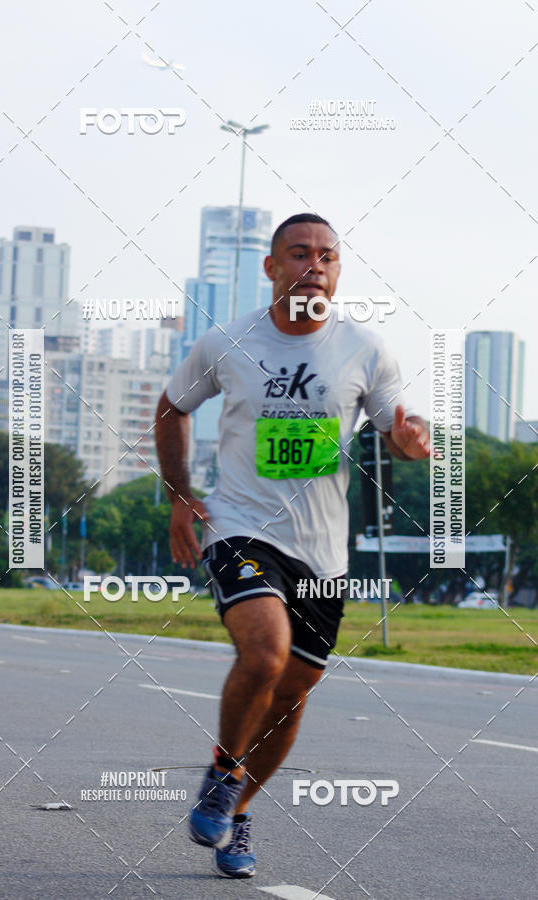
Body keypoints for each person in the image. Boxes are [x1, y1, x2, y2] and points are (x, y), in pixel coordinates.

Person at [155, 213, 430, 878]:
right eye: (300, 254)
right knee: (266, 653)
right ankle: (225, 770)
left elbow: (396, 423)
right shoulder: (227, 341)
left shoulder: (365, 348)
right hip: (240, 526)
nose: (315, 266)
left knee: (293, 692)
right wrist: (180, 497)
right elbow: (171, 409)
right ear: (272, 267)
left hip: (324, 551)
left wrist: (411, 439)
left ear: (339, 270)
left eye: (328, 257)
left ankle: (238, 808)